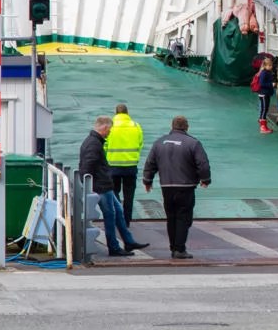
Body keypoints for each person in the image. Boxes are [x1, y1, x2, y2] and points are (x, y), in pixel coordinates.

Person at [142, 115, 211, 260]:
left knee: (171, 217)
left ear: (172, 126)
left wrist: (147, 181)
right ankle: (179, 249)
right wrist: (205, 179)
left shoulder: (159, 142)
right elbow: (202, 163)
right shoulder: (193, 143)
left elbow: (150, 163)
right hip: (185, 186)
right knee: (183, 217)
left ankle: (173, 247)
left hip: (166, 186)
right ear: (186, 127)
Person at [78, 115, 143, 257]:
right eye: (110, 129)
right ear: (105, 127)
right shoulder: (94, 144)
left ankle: (128, 241)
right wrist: (90, 187)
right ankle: (113, 247)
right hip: (101, 187)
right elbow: (87, 168)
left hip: (105, 186)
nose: (110, 132)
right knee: (110, 216)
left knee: (118, 211)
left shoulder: (94, 142)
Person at [105, 102, 143, 219]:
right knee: (129, 194)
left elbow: (104, 145)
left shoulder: (110, 126)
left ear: (116, 113)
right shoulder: (136, 126)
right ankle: (127, 219)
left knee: (113, 192)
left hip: (113, 165)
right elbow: (140, 144)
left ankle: (118, 216)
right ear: (127, 113)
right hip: (131, 166)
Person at [253, 56, 277, 133]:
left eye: (271, 65)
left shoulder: (267, 72)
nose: (271, 67)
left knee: (265, 109)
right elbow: (262, 83)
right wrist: (271, 84)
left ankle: (262, 123)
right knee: (264, 109)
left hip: (266, 93)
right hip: (264, 93)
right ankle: (263, 127)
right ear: (265, 65)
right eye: (269, 65)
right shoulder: (264, 73)